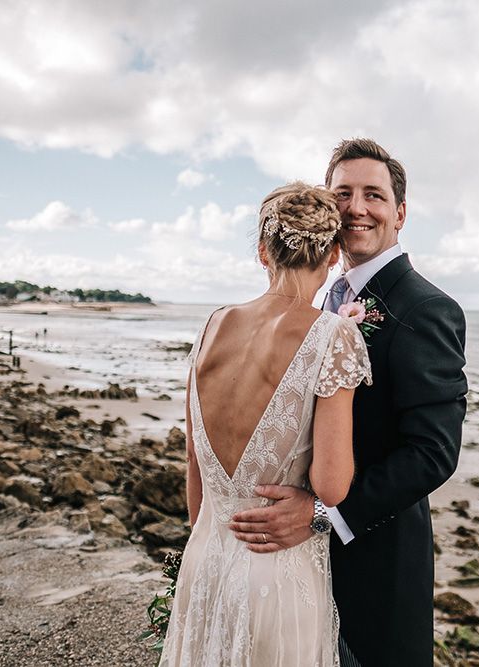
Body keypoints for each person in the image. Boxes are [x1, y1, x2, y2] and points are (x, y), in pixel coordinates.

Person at [230, 139, 468, 666]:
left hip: (378, 569)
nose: (357, 207)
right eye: (343, 193)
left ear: (400, 213)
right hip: (298, 572)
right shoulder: (321, 303)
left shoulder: (427, 309)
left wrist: (320, 515)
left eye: (374, 196)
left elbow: (432, 453)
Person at [159, 183, 372, 666]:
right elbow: (331, 486)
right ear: (335, 252)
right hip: (276, 575)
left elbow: (194, 458)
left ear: (262, 252)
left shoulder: (213, 324)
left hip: (206, 560)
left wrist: (212, 544)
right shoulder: (334, 335)